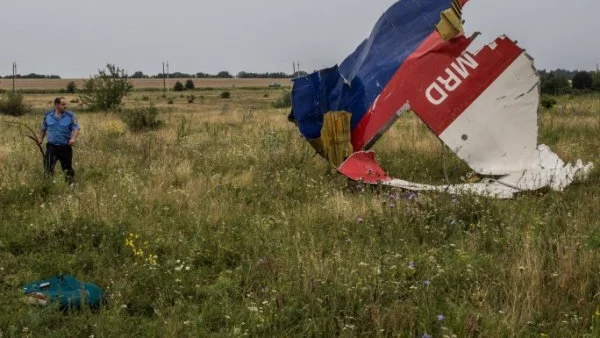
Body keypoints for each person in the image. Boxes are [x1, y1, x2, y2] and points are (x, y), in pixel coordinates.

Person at [37, 97, 80, 184]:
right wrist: (40, 139)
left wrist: (73, 139)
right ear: (56, 105)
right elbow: (43, 128)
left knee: (67, 168)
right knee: (48, 166)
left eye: (65, 104)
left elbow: (76, 129)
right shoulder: (48, 115)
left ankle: (70, 185)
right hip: (51, 147)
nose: (65, 106)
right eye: (63, 104)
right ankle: (48, 184)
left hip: (65, 147)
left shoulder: (71, 116)